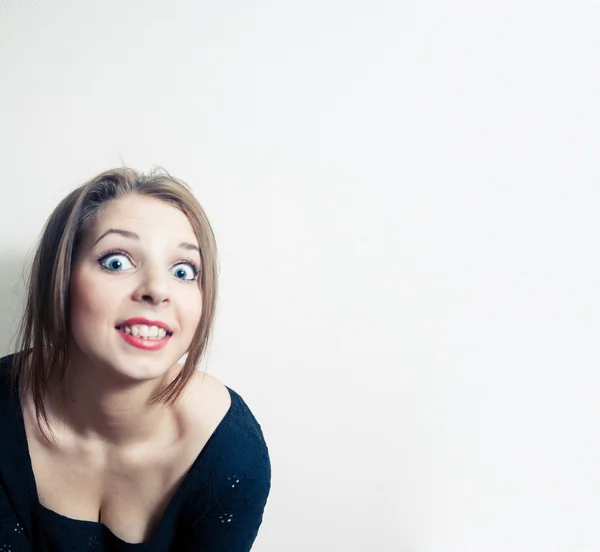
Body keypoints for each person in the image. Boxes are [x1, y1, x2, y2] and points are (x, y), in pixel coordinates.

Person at [0, 167, 271, 551]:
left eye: (183, 270)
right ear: (59, 281)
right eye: (117, 261)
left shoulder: (231, 455)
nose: (158, 290)